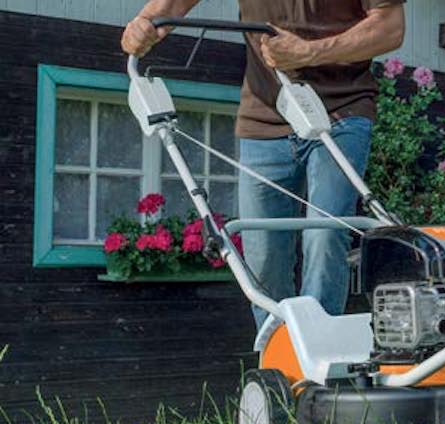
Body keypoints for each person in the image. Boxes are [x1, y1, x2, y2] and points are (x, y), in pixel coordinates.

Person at [121, 1, 405, 328]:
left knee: (325, 236)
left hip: (342, 110)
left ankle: (320, 352)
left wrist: (310, 52)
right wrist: (145, 22)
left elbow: (390, 27)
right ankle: (278, 356)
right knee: (262, 251)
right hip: (263, 118)